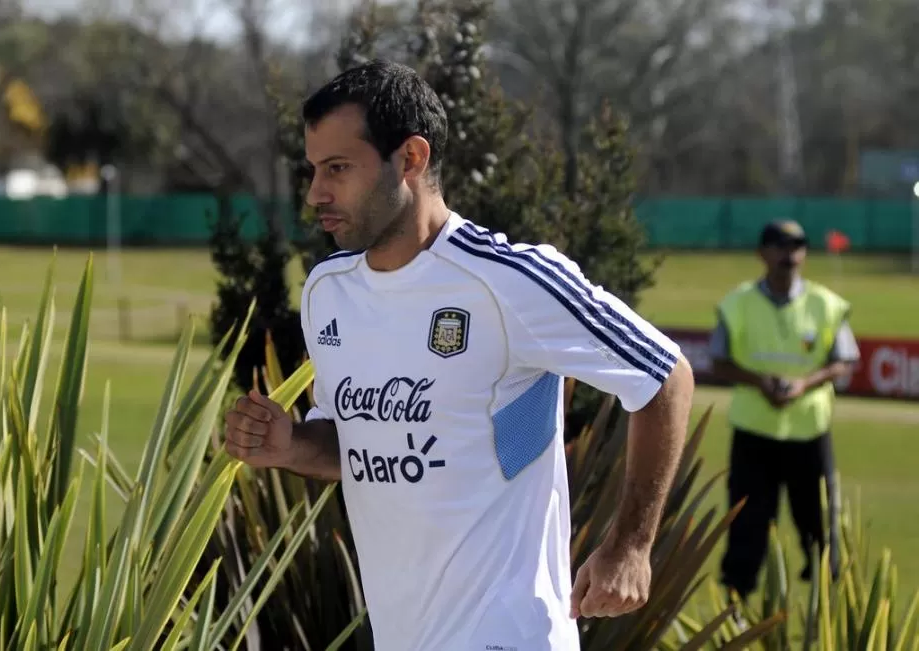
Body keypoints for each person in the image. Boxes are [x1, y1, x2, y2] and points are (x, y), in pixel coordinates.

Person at [223, 59, 695, 651]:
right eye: (314, 170)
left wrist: (631, 544)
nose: (317, 192)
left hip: (510, 636)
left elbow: (663, 375)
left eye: (338, 168)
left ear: (411, 159)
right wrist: (290, 445)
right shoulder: (328, 292)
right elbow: (361, 446)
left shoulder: (510, 280)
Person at [710, 219, 859, 607]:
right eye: (779, 245)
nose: (789, 253)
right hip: (753, 434)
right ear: (762, 253)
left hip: (809, 433)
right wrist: (760, 382)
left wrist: (804, 384)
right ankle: (735, 611)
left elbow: (844, 360)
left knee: (820, 525)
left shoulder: (826, 304)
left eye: (797, 245)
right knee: (747, 526)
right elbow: (718, 360)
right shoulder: (737, 303)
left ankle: (828, 611)